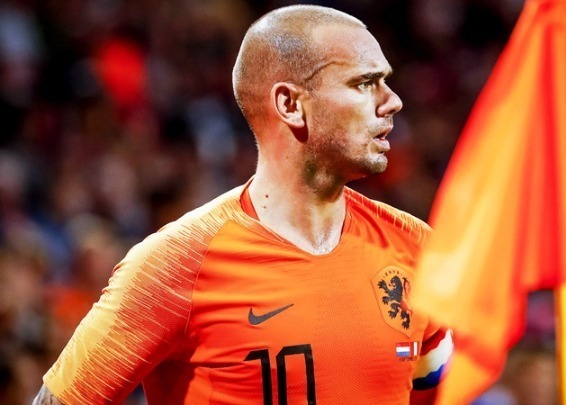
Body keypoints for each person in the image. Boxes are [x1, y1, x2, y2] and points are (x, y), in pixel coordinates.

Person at [34, 5, 452, 404]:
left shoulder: (415, 246)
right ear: (290, 105)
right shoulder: (176, 265)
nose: (392, 101)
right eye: (364, 83)